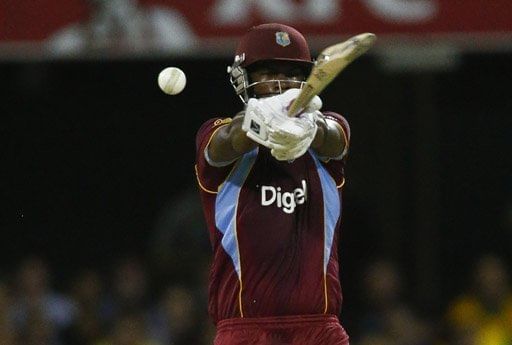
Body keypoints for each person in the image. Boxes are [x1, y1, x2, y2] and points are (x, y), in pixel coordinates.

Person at [195, 23, 351, 345]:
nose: (282, 84)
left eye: (293, 74)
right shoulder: (216, 132)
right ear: (244, 79)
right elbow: (225, 142)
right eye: (267, 73)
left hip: (319, 331)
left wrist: (310, 128)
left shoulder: (328, 130)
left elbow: (335, 140)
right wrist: (261, 120)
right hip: (245, 331)